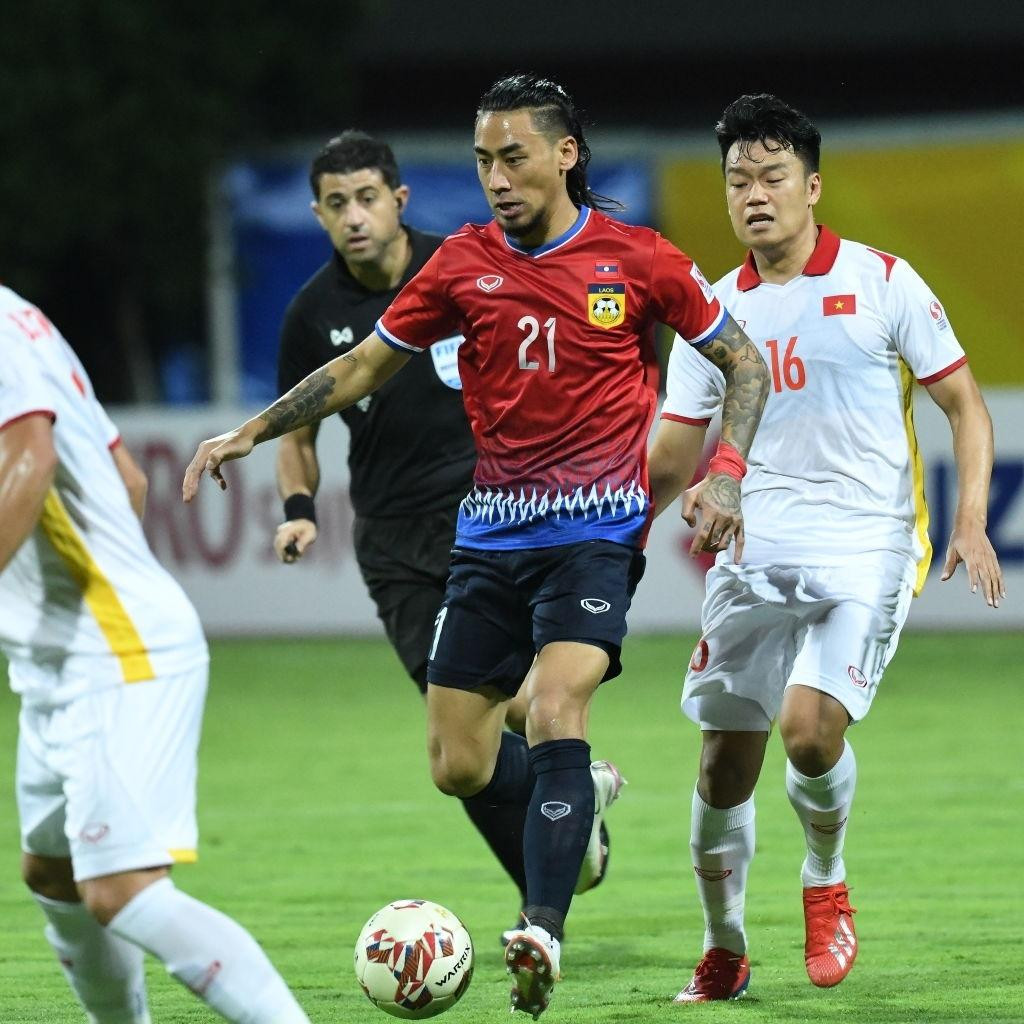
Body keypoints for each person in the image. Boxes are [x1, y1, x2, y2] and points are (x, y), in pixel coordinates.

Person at [184, 73, 769, 1018]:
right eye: (484, 161)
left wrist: (728, 471)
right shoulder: (461, 263)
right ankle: (581, 800)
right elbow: (363, 365)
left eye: (514, 157)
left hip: (594, 534)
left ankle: (541, 929)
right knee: (458, 763)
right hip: (488, 540)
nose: (496, 178)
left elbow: (743, 361)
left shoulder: (638, 258)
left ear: (565, 154)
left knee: (556, 706)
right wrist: (252, 431)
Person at [648, 93, 1005, 1004]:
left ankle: (826, 877)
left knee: (808, 733)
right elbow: (675, 452)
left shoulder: (884, 281)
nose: (753, 195)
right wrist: (669, 501)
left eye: (772, 177)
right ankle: (724, 949)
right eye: (737, 180)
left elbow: (965, 405)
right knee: (722, 768)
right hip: (752, 554)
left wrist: (970, 517)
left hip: (866, 543)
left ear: (812, 186)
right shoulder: (713, 311)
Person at [0, 285, 310, 1024]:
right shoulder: (22, 319)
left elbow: (30, 455)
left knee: (121, 890)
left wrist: (106, 611)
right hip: (65, 655)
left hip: (111, 654)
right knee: (54, 874)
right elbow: (128, 480)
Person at [274, 130, 560, 929]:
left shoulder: (462, 268)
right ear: (318, 214)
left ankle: (563, 802)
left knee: (523, 705)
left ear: (398, 200)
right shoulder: (311, 314)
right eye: (336, 204)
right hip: (394, 545)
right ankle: (557, 849)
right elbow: (298, 437)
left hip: (488, 520)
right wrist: (298, 511)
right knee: (459, 744)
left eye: (367, 198)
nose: (353, 217)